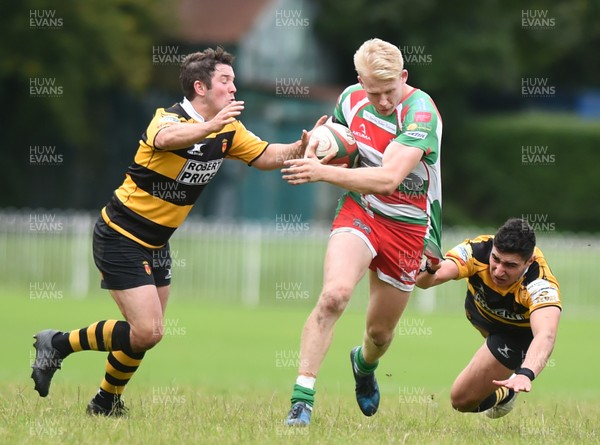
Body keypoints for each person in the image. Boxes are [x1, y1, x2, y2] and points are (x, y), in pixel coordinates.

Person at [31, 46, 324, 417]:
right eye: (225, 82)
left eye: (233, 82)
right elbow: (167, 140)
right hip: (120, 235)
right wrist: (210, 127)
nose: (234, 89)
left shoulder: (228, 130)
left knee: (143, 335)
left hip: (156, 242)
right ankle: (57, 343)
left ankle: (105, 402)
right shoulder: (165, 120)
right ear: (200, 88)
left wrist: (302, 145)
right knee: (148, 331)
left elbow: (266, 156)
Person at [281, 38, 443, 426]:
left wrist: (321, 172)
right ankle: (301, 401)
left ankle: (363, 365)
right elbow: (341, 138)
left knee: (379, 334)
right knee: (334, 296)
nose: (383, 100)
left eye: (390, 91)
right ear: (360, 82)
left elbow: (388, 178)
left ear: (404, 77)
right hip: (361, 211)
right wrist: (318, 145)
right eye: (375, 92)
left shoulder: (421, 113)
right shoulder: (351, 98)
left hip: (408, 227)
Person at [415, 218, 561, 418]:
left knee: (461, 400)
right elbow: (426, 282)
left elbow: (546, 335)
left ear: (529, 261)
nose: (499, 271)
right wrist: (430, 268)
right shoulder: (476, 251)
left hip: (514, 335)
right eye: (496, 259)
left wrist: (525, 374)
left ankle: (507, 392)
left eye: (510, 265)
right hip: (481, 317)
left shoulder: (540, 284)